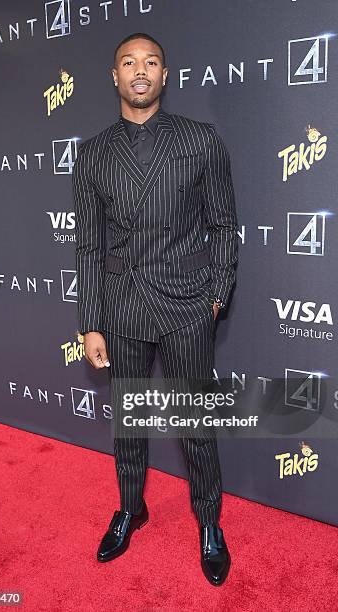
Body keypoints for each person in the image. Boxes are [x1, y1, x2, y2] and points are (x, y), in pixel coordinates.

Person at [72, 32, 239, 586]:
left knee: (195, 424)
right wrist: (91, 321)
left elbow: (223, 227)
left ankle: (209, 521)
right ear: (113, 77)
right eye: (128, 62)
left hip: (188, 305)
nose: (139, 71)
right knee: (129, 423)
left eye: (151, 62)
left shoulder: (199, 141)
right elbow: (90, 247)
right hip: (121, 311)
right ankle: (130, 508)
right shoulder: (94, 153)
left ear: (166, 76)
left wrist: (216, 294)